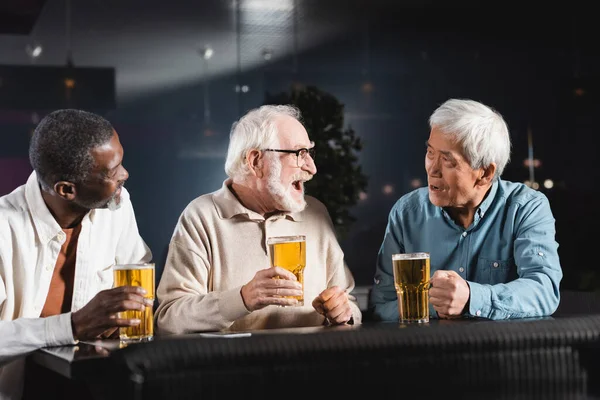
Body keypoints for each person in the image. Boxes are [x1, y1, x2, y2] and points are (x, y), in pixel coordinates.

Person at [155, 104, 361, 334]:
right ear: (255, 161)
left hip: (310, 363)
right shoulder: (202, 216)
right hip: (234, 367)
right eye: (298, 153)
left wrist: (345, 312)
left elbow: (350, 304)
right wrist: (242, 299)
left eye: (309, 153)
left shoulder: (315, 212)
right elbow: (169, 320)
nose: (311, 168)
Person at [0, 109, 152, 400]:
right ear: (67, 189)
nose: (125, 175)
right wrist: (72, 326)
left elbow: (138, 270)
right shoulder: (3, 229)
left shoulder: (117, 204)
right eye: (112, 171)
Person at [368, 98, 563, 321]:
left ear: (486, 173)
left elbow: (544, 290)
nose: (432, 169)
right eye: (430, 152)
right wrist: (437, 305)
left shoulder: (526, 207)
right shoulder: (407, 213)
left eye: (447, 160)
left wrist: (471, 297)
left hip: (501, 352)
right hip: (427, 352)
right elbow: (381, 307)